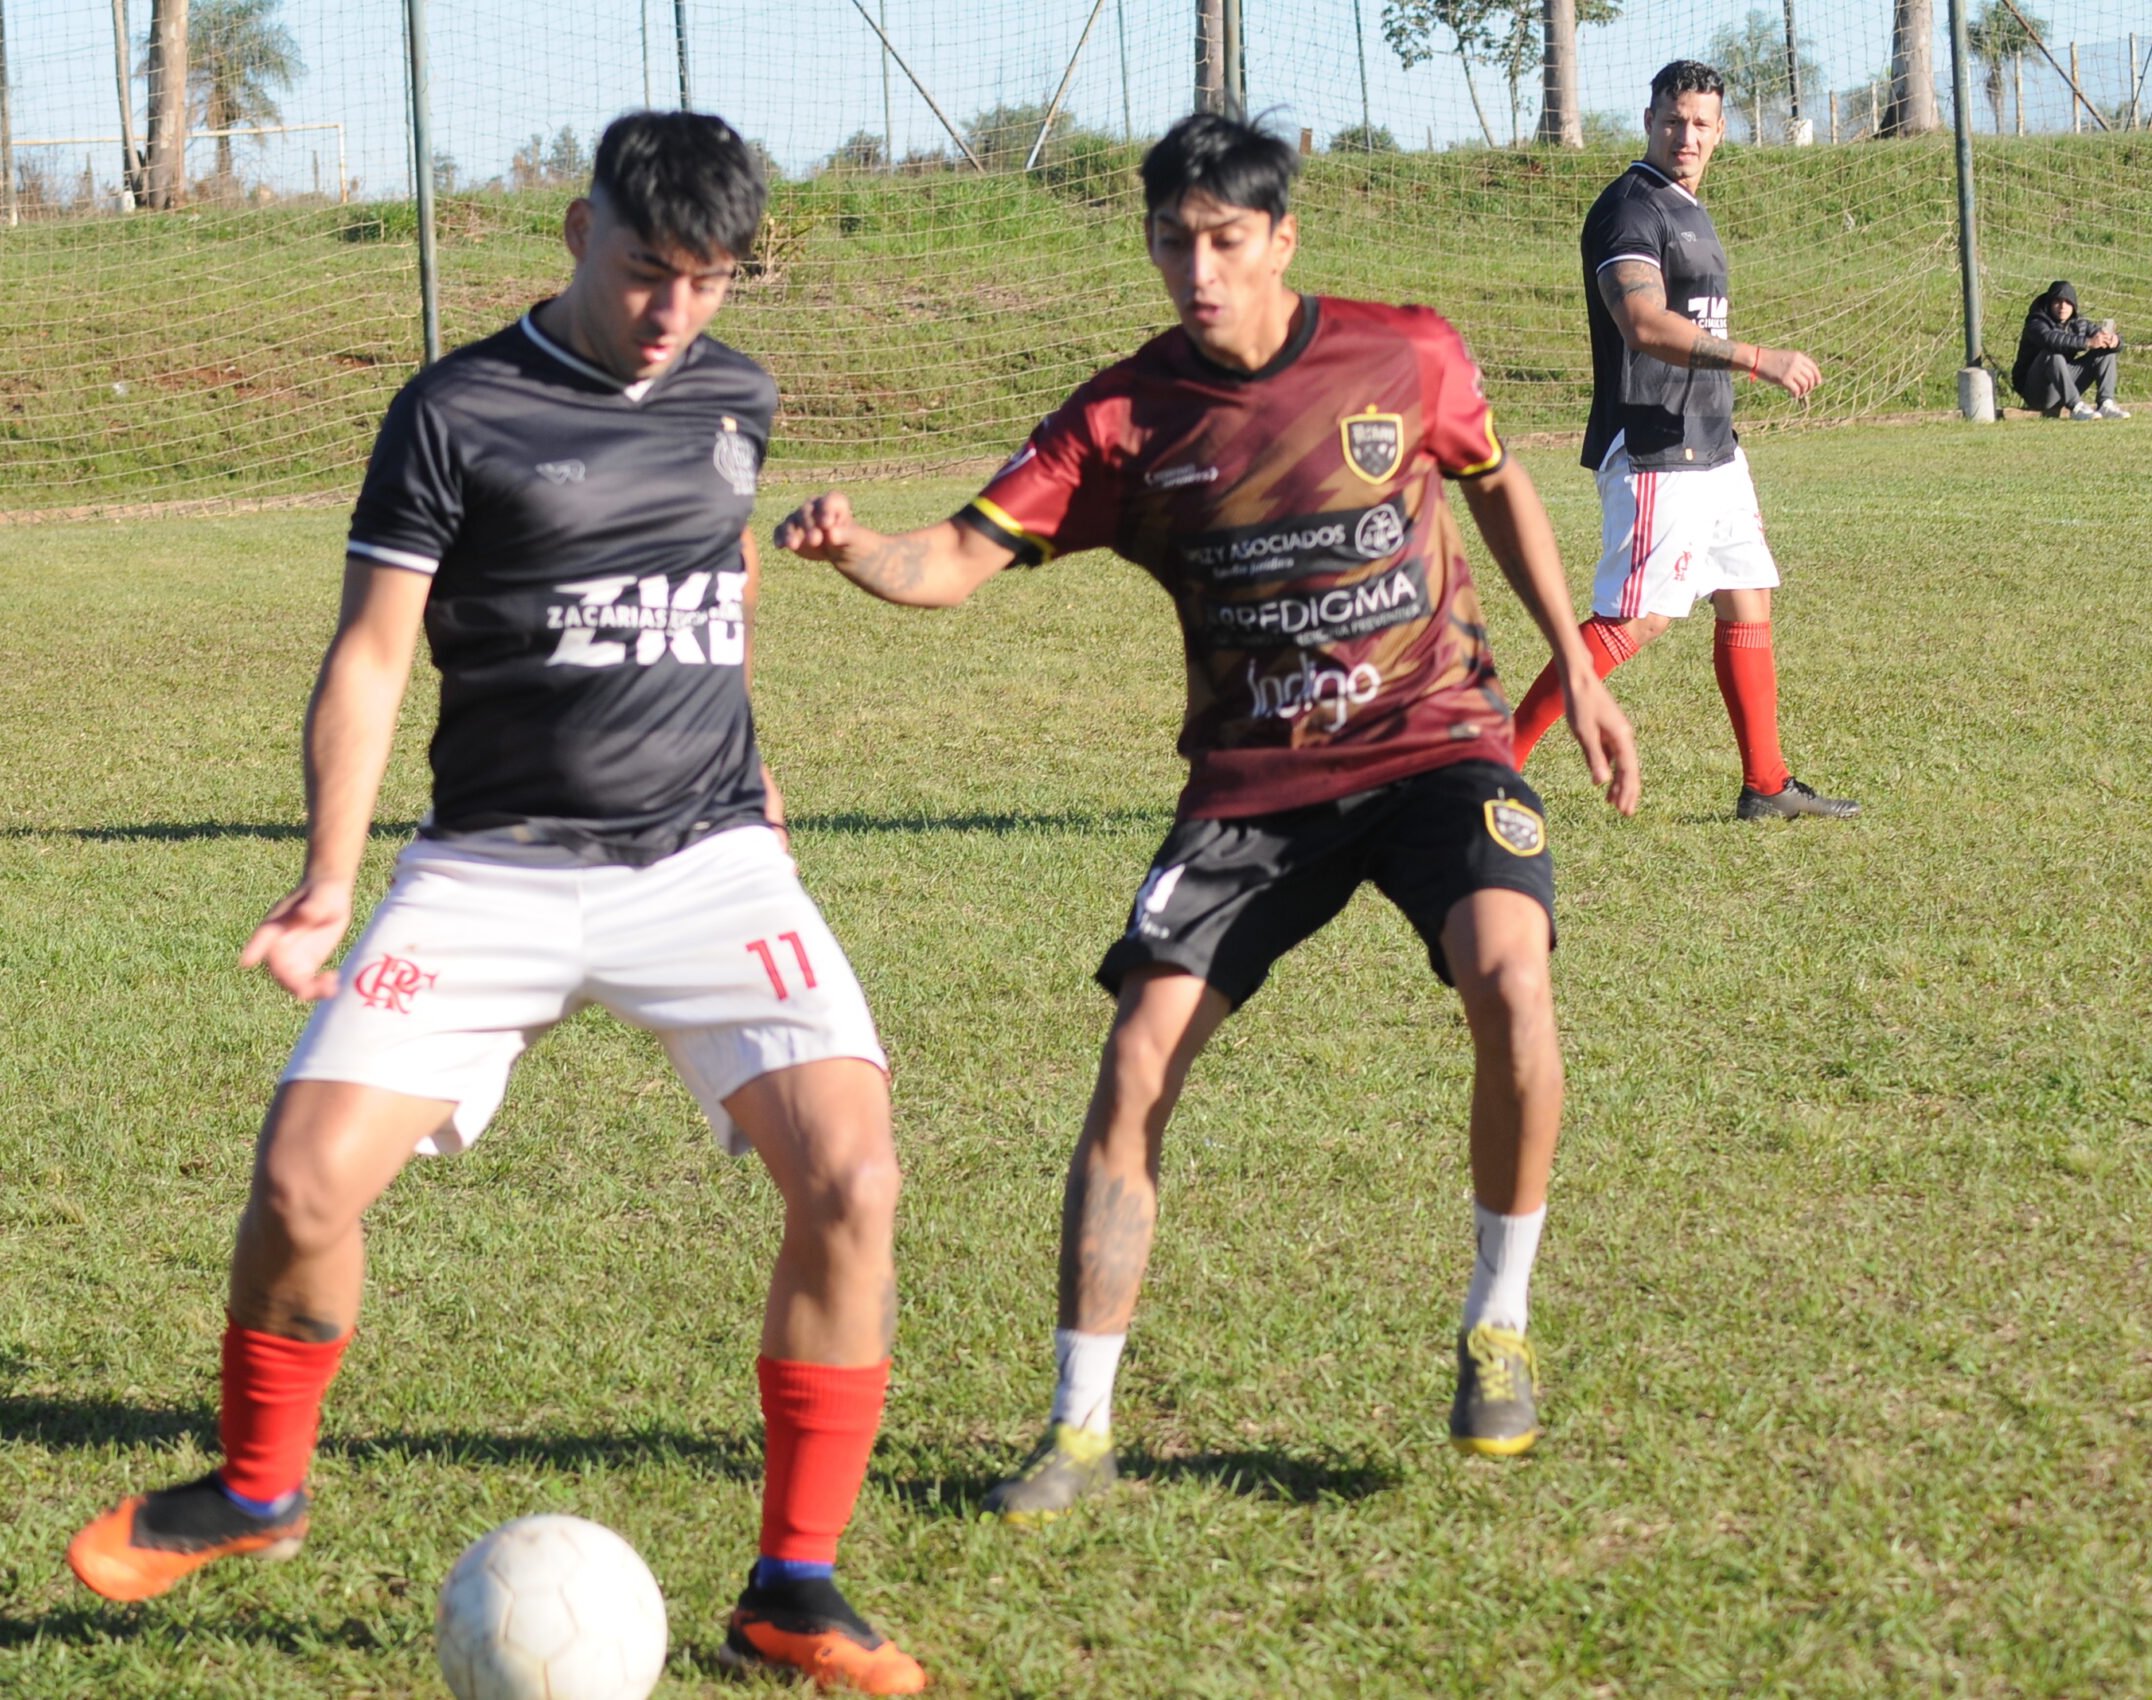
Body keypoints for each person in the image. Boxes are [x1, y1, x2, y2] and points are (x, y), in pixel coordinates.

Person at [62, 112, 927, 1695]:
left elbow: (713, 587)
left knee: (854, 1180)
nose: (674, 311)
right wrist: (328, 881)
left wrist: (761, 776)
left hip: (708, 862)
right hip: (491, 866)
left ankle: (795, 1588)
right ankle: (256, 1490)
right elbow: (372, 652)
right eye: (649, 270)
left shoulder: (737, 394)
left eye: (712, 280)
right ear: (579, 229)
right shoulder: (454, 411)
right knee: (302, 1186)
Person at [774, 112, 1641, 1523]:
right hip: (1251, 789)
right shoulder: (1125, 419)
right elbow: (957, 556)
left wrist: (1579, 672)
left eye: (1226, 241)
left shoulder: (1405, 354)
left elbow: (1496, 484)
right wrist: (859, 547)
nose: (1199, 271)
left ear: (1282, 239)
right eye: (1172, 242)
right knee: (1136, 1063)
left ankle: (1498, 1323)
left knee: (1512, 979)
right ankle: (1077, 1427)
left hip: (1434, 745)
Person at [1505, 59, 1862, 822]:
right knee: (1638, 619)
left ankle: (1766, 785)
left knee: (1746, 598)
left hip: (1712, 444)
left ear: (1721, 130)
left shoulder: (1687, 207)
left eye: (1701, 123)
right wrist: (1756, 358)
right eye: (1673, 121)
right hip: (1655, 444)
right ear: (1648, 121)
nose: (1686, 136)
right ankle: (1490, 770)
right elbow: (1641, 324)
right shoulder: (1630, 209)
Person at [2013, 280, 2125, 420]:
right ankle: (2076, 408)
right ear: (2049, 303)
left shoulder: (2078, 323)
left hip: (2062, 387)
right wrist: (2088, 342)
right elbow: (2050, 339)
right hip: (2038, 392)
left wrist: (2115, 340)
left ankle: (2106, 404)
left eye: (2067, 302)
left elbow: (2101, 336)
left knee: (2105, 350)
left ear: (2074, 305)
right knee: (2052, 354)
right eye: (2057, 302)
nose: (2062, 306)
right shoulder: (2036, 322)